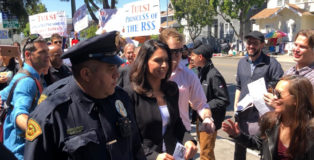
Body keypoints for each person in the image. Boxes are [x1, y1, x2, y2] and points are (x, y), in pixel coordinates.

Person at [24, 31, 146, 160]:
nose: (117, 74)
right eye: (110, 68)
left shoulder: (121, 98)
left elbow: (136, 148)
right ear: (86, 74)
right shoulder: (52, 115)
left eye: (116, 67)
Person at [125, 40, 197, 160]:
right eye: (158, 60)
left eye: (166, 60)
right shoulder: (130, 94)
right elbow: (130, 138)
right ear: (144, 62)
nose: (164, 65)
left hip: (174, 155)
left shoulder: (172, 89)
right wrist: (154, 156)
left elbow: (177, 123)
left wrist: (188, 140)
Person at [223, 75, 314, 160]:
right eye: (273, 92)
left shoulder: (310, 133)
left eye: (279, 94)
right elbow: (259, 144)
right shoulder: (270, 121)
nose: (273, 97)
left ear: (297, 99)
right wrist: (237, 135)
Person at [233, 31, 284, 160]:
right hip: (243, 113)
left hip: (262, 116)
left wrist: (267, 90)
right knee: (239, 145)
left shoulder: (272, 64)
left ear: (262, 44)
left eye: (255, 43)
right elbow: (239, 86)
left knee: (262, 149)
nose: (251, 46)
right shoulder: (242, 63)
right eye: (249, 42)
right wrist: (235, 106)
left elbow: (280, 86)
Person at [0, 34, 49, 160]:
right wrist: (47, 133)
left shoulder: (26, 76)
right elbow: (19, 115)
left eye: (47, 51)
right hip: (21, 153)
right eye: (42, 52)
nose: (47, 55)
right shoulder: (27, 82)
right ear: (28, 55)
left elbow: (4, 94)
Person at [159, 28, 215, 134]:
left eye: (180, 50)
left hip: (182, 132)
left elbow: (201, 104)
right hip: (157, 133)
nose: (178, 54)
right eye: (173, 51)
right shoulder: (152, 74)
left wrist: (207, 118)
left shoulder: (189, 75)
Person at [189, 41, 230, 160]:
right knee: (206, 152)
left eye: (193, 55)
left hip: (209, 121)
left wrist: (202, 105)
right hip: (200, 118)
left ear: (200, 57)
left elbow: (223, 100)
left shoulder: (213, 75)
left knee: (205, 154)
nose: (191, 58)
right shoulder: (201, 71)